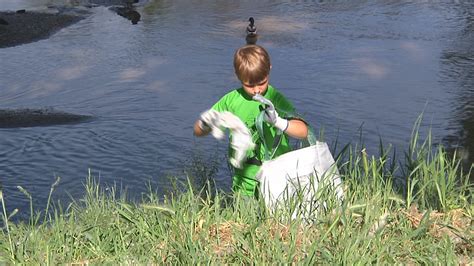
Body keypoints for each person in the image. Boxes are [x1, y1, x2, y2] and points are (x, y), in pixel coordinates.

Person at [193, 44, 308, 198]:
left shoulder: (276, 99)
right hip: (243, 182)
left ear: (269, 70)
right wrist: (206, 122)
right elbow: (197, 132)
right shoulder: (231, 101)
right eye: (249, 85)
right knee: (246, 220)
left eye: (262, 82)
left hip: (278, 179)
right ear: (238, 76)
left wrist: (279, 122)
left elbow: (303, 131)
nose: (256, 90)